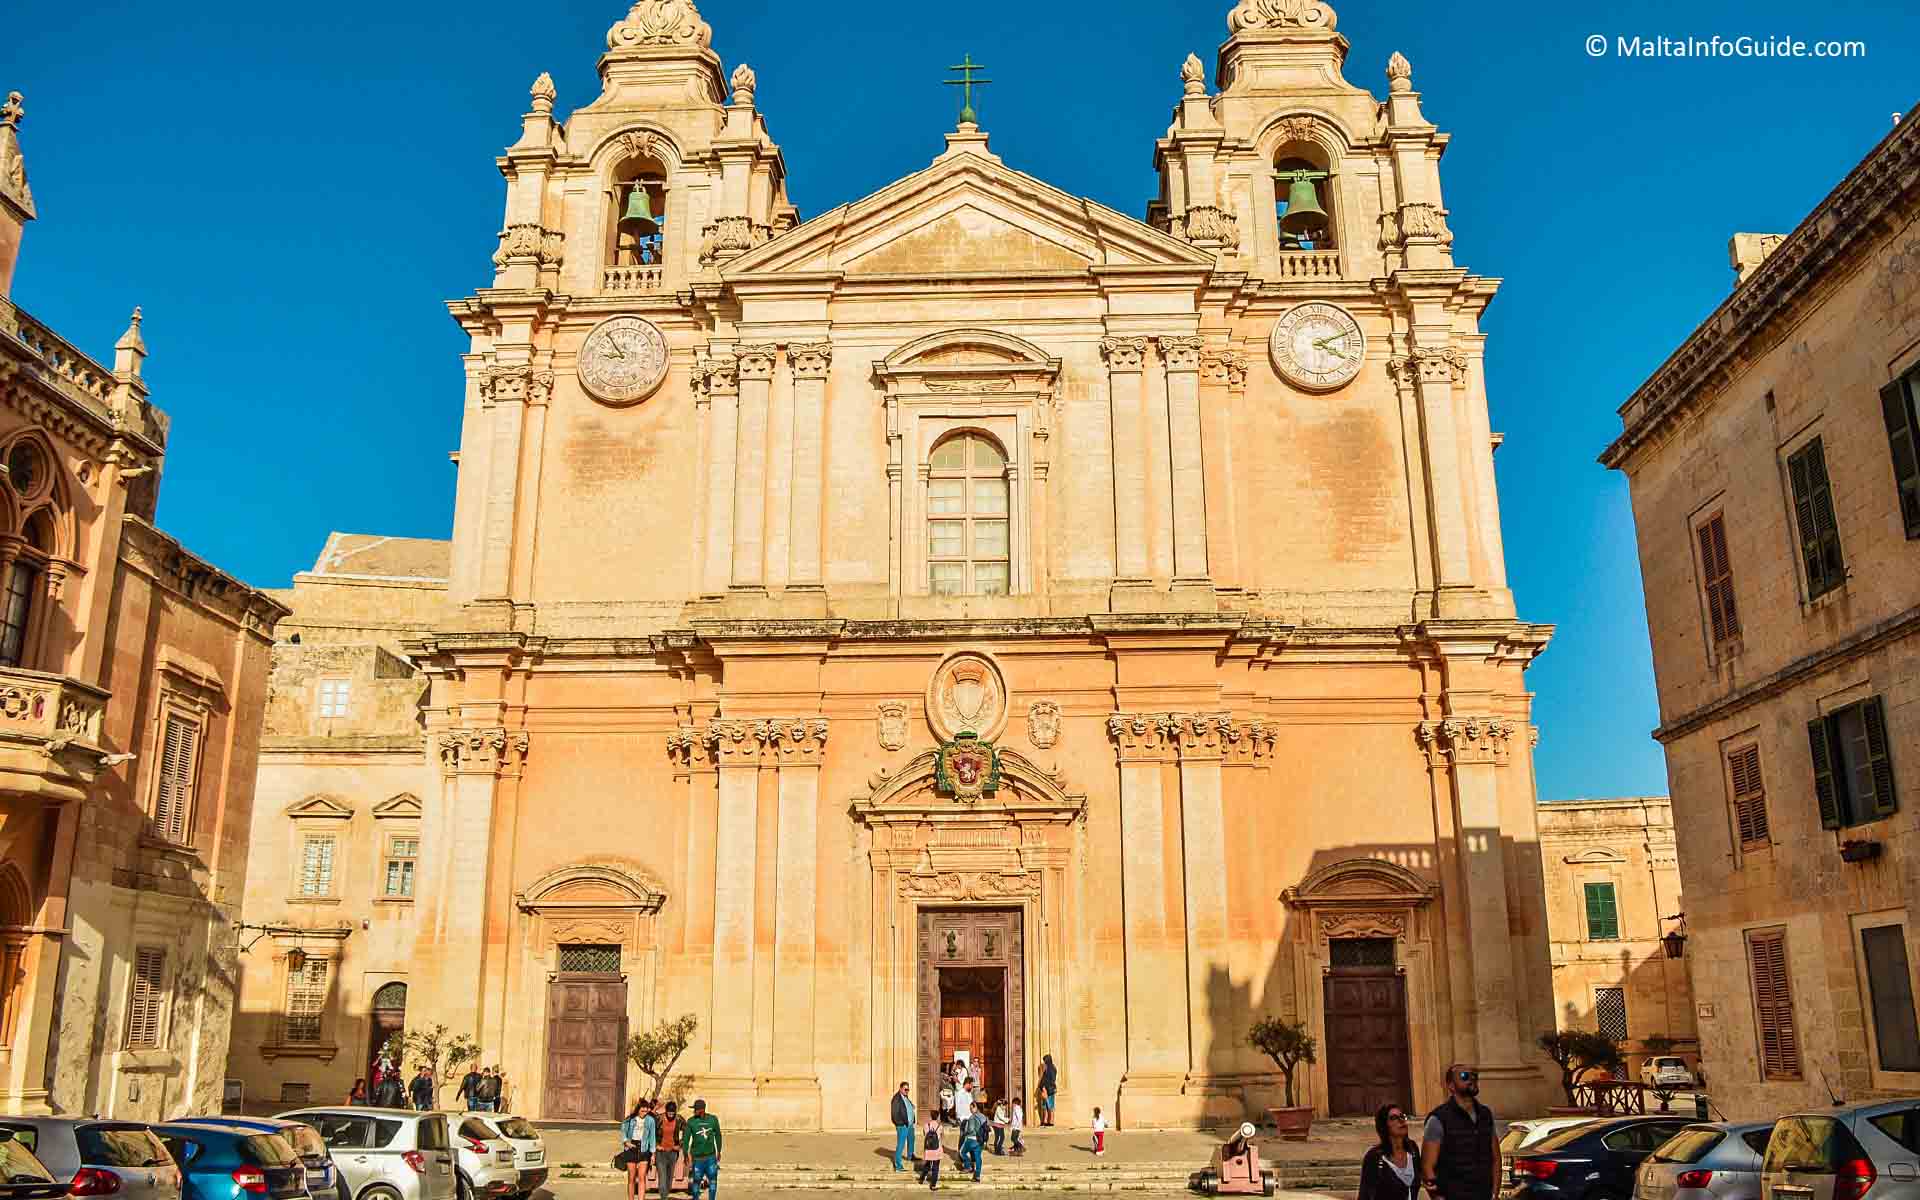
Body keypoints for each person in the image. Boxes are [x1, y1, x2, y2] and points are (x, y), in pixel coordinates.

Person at [1420, 1064, 1499, 1200]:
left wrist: (1494, 1194)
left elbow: (1496, 1158)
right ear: (1451, 1086)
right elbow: (1427, 1167)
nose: (1472, 1079)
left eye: (1474, 1075)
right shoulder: (1438, 1118)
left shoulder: (1485, 1114)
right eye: (1464, 1076)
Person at [1361, 1106, 1421, 1200]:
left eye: (1402, 1116)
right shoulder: (1374, 1157)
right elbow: (1364, 1195)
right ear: (1384, 1125)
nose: (1401, 1120)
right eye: (1394, 1118)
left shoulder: (1412, 1149)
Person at [684, 1099, 721, 1200]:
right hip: (697, 1158)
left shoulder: (713, 1120)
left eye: (695, 1109)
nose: (693, 1111)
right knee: (696, 1182)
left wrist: (719, 1150)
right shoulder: (691, 1121)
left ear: (701, 1110)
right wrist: (685, 1153)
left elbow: (718, 1135)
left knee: (713, 1181)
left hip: (710, 1157)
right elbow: (686, 1139)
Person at [620, 1098, 655, 1200]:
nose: (644, 1113)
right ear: (638, 1109)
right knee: (631, 1178)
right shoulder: (630, 1119)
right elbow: (623, 1130)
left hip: (644, 1148)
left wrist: (653, 1154)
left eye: (646, 1111)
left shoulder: (650, 1120)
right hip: (632, 1148)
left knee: (642, 1177)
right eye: (642, 1111)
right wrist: (626, 1142)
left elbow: (652, 1137)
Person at [652, 1099, 683, 1200]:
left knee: (669, 1178)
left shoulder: (679, 1119)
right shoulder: (659, 1119)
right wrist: (656, 1145)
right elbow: (651, 1131)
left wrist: (680, 1145)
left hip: (673, 1152)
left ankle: (665, 1195)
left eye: (673, 1113)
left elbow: (687, 1131)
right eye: (669, 1113)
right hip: (661, 1152)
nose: (671, 1115)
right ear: (666, 1111)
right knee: (662, 1176)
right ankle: (663, 1197)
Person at [890, 1082, 917, 1171]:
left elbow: (906, 1108)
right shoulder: (896, 1099)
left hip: (910, 1124)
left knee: (911, 1140)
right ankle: (898, 1166)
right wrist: (901, 1124)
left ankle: (910, 1156)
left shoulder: (905, 1097)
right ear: (901, 1089)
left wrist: (911, 1106)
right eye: (905, 1089)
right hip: (903, 1125)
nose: (907, 1091)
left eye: (908, 1089)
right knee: (901, 1144)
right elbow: (894, 1114)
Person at [958, 1104, 987, 1182]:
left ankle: (968, 1166)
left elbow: (970, 1129)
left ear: (976, 1107)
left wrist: (965, 1132)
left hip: (972, 1139)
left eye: (972, 1108)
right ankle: (977, 1176)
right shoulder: (983, 1117)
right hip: (980, 1140)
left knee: (962, 1152)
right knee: (978, 1158)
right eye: (970, 1108)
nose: (971, 1110)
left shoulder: (972, 1117)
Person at [920, 1114, 943, 1190]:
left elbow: (924, 1134)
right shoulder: (940, 1126)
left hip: (928, 1149)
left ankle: (921, 1179)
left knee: (927, 1165)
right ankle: (933, 1185)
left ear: (931, 1116)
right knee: (935, 1167)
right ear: (937, 1117)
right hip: (937, 1150)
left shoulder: (926, 1125)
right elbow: (942, 1137)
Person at [1036, 1055, 1057, 1126]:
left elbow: (1051, 1080)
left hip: (1049, 1090)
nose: (1044, 1062)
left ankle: (1050, 1122)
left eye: (1044, 1061)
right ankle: (1045, 1121)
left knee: (1050, 1106)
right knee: (1045, 1106)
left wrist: (1045, 1088)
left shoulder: (1051, 1069)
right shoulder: (1047, 1069)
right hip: (1046, 1090)